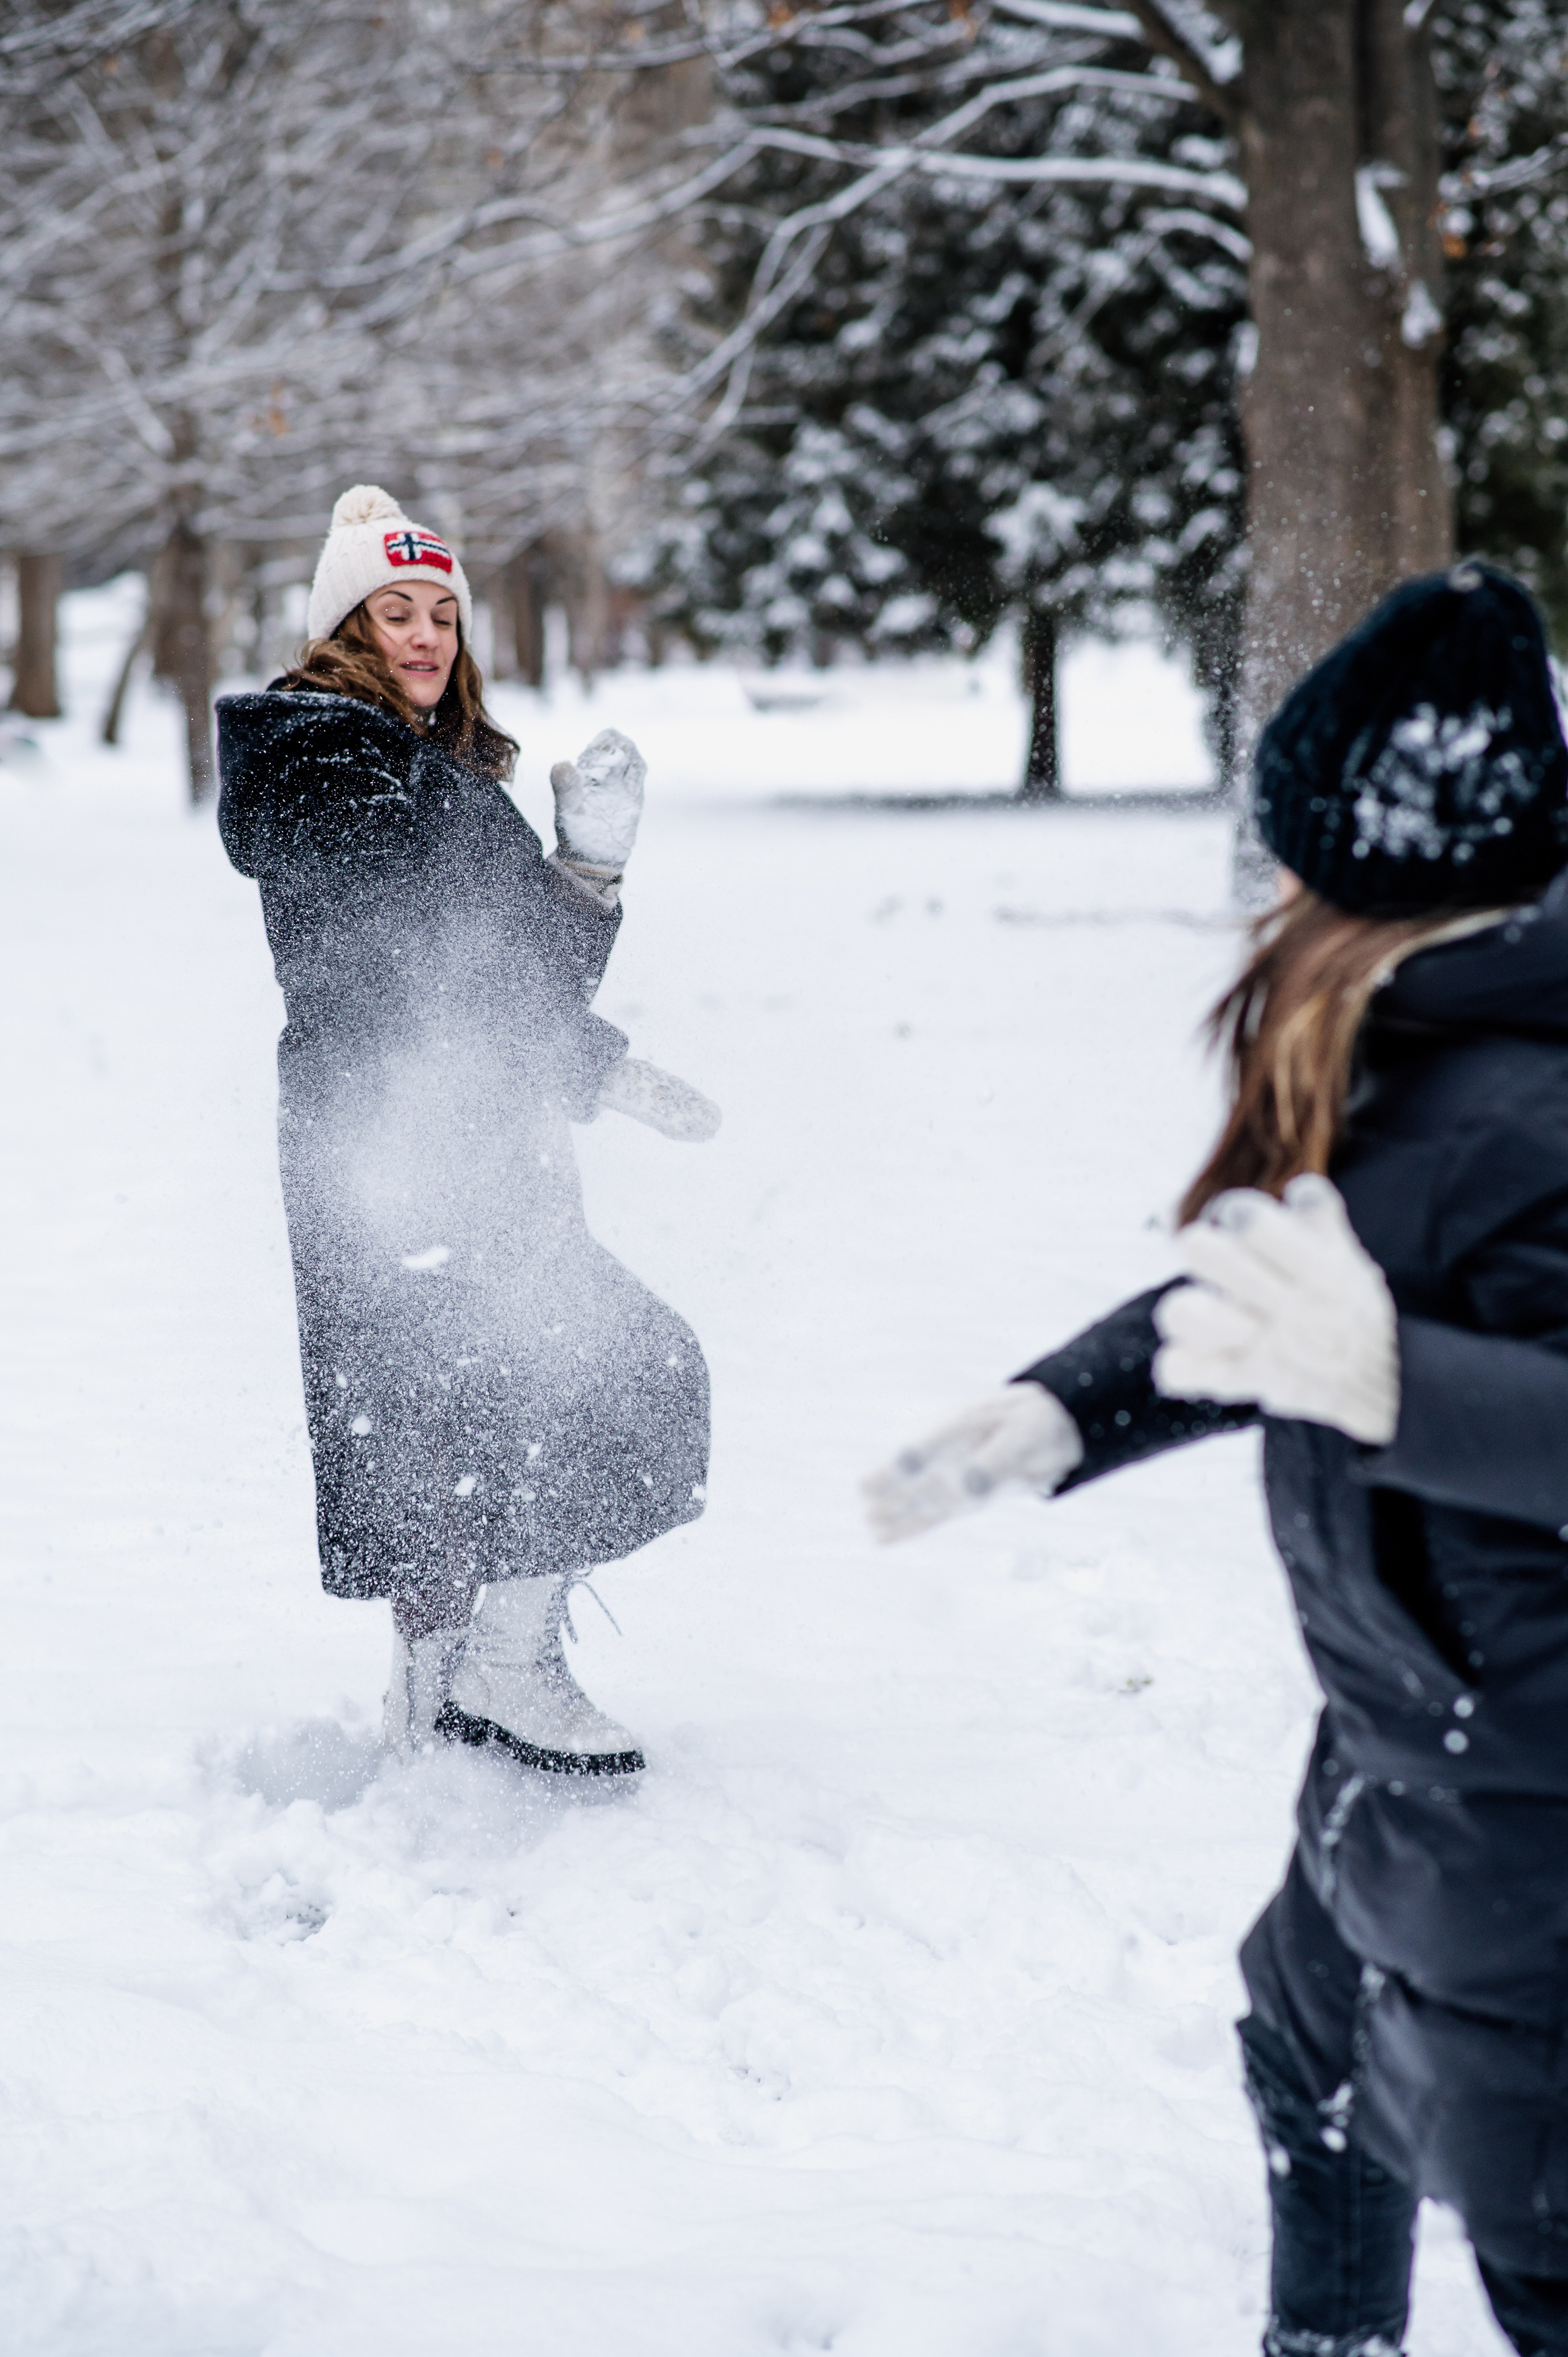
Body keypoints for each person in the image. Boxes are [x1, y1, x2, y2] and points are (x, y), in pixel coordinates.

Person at [864, 562, 1568, 2352]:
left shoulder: (1533, 1102)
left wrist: (1407, 1382)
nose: (1265, 881)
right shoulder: (1421, 1045)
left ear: (1373, 864)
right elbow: (1269, 1292)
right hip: (1404, 1750)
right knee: (1303, 2055)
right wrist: (1067, 1405)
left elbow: (1375, 1350)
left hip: (1533, 1833)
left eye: (1292, 846)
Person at [217, 484, 716, 1777]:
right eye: (396, 609)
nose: (427, 634)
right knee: (526, 1394)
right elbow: (412, 956)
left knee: (477, 1415)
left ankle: (456, 1694)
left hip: (476, 1137)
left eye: (443, 611)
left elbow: (516, 973)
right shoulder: (317, 758)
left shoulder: (430, 769)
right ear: (343, 628)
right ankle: (492, 1676)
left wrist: (589, 871)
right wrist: (587, 1057)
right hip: (393, 1146)